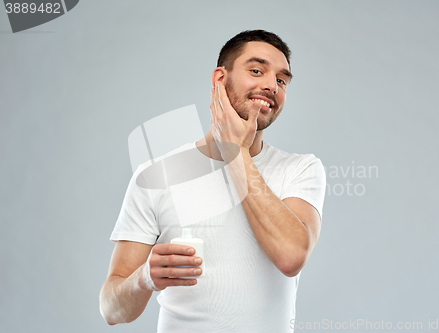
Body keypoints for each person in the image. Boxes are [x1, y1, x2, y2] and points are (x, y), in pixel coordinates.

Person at [99, 30, 326, 332]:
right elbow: (112, 310)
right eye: (257, 71)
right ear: (220, 78)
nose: (271, 85)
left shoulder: (300, 169)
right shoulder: (154, 176)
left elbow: (291, 256)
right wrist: (144, 278)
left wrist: (235, 152)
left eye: (282, 80)